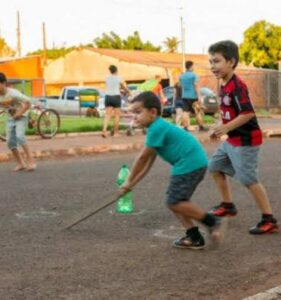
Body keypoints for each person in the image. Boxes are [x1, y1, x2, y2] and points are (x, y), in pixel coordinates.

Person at [118, 91, 225, 250]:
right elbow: (148, 163)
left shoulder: (156, 128)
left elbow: (142, 158)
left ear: (153, 112)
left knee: (174, 202)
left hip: (189, 164)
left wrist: (127, 183)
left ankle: (211, 222)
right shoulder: (158, 127)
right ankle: (194, 236)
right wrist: (132, 184)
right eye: (133, 113)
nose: (135, 116)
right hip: (192, 163)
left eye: (138, 112)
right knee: (175, 201)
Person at [208, 40, 278, 234]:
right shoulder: (222, 83)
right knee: (214, 166)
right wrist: (219, 128)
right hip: (232, 139)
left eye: (216, 61)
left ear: (231, 62)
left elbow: (247, 113)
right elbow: (229, 111)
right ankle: (228, 206)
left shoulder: (238, 85)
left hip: (247, 140)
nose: (212, 66)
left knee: (249, 179)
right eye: (210, 61)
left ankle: (269, 219)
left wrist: (225, 128)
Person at [0, 73, 36, 171]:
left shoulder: (13, 93)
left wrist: (20, 113)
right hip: (10, 118)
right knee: (10, 142)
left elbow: (28, 102)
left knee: (20, 137)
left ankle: (31, 162)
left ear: (4, 83)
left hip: (22, 116)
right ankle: (21, 163)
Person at [179, 61, 208, 131]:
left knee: (185, 112)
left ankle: (185, 127)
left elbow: (181, 86)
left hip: (184, 96)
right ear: (191, 66)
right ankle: (201, 127)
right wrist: (199, 97)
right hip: (193, 96)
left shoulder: (181, 76)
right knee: (197, 112)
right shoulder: (194, 75)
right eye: (193, 66)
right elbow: (196, 86)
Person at [102, 65, 128, 138]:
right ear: (116, 70)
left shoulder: (106, 78)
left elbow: (108, 85)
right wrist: (127, 91)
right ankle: (116, 133)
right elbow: (123, 86)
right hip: (116, 97)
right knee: (117, 115)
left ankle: (104, 130)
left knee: (107, 115)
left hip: (108, 97)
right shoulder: (119, 78)